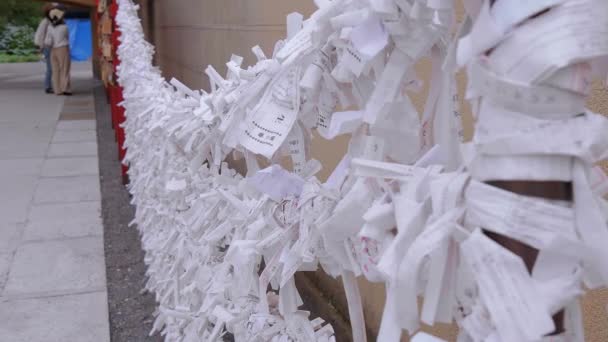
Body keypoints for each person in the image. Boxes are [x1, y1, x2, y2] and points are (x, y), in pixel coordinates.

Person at [45, 8, 72, 96]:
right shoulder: (64, 27)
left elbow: (48, 41)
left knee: (55, 70)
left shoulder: (50, 27)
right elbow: (67, 38)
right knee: (64, 69)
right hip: (63, 48)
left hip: (53, 49)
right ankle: (65, 89)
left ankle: (57, 90)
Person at [34, 4, 55, 94]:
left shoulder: (50, 21)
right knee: (50, 67)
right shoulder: (46, 22)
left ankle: (49, 86)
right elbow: (40, 34)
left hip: (50, 46)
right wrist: (41, 46)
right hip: (47, 47)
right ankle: (47, 86)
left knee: (51, 67)